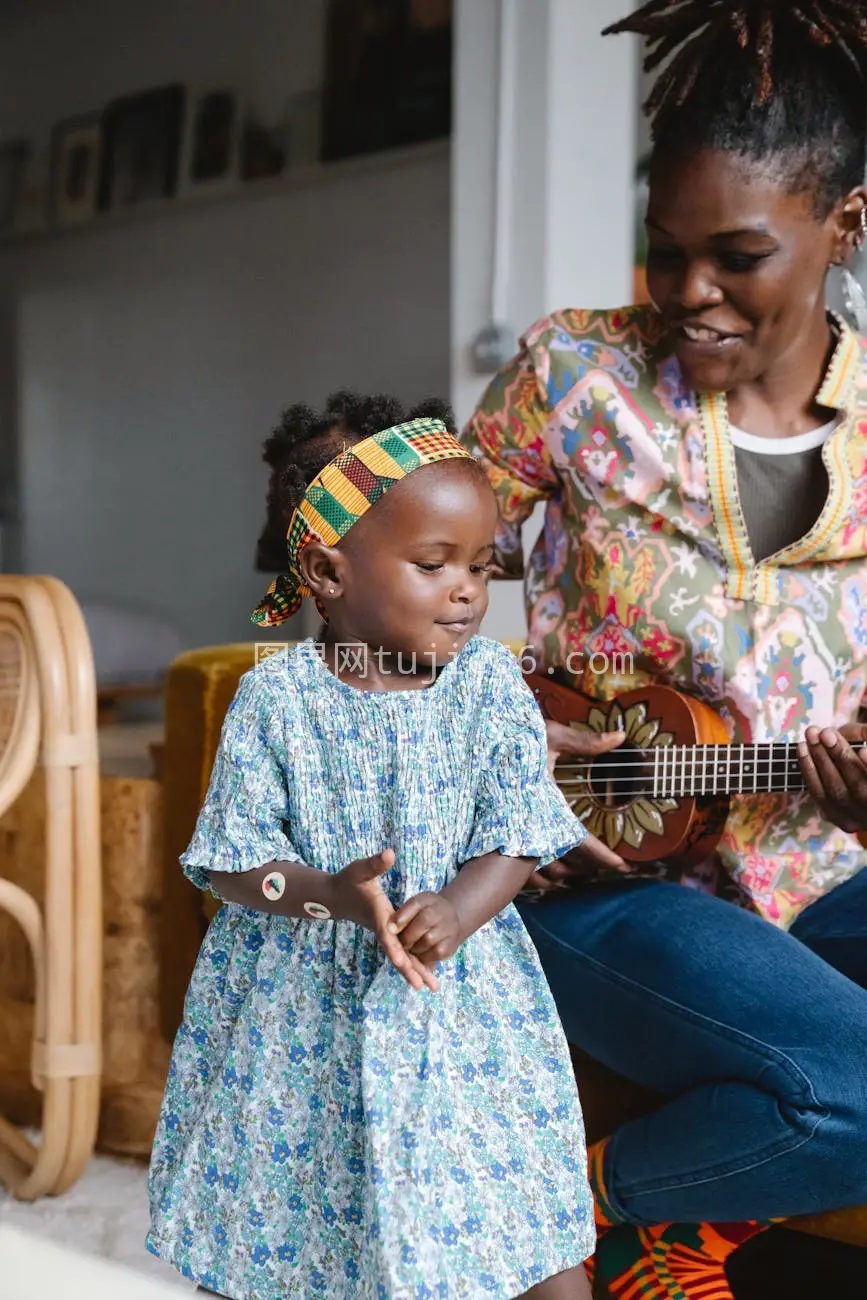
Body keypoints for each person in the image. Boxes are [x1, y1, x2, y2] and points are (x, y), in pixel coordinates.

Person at [461, 3, 867, 1297]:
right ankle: (592, 1205)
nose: (686, 294)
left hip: (814, 866)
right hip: (594, 876)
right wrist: (471, 711)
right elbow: (382, 576)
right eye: (664, 251)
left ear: (841, 228)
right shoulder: (571, 378)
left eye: (734, 256)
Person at [146, 401, 620, 1299]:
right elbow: (233, 860)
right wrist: (327, 892)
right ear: (328, 573)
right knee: (289, 1212)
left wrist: (456, 908)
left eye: (481, 568)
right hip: (300, 1005)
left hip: (462, 997)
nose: (467, 592)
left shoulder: (492, 686)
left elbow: (520, 832)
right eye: (433, 564)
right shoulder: (275, 699)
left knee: (520, 1209)